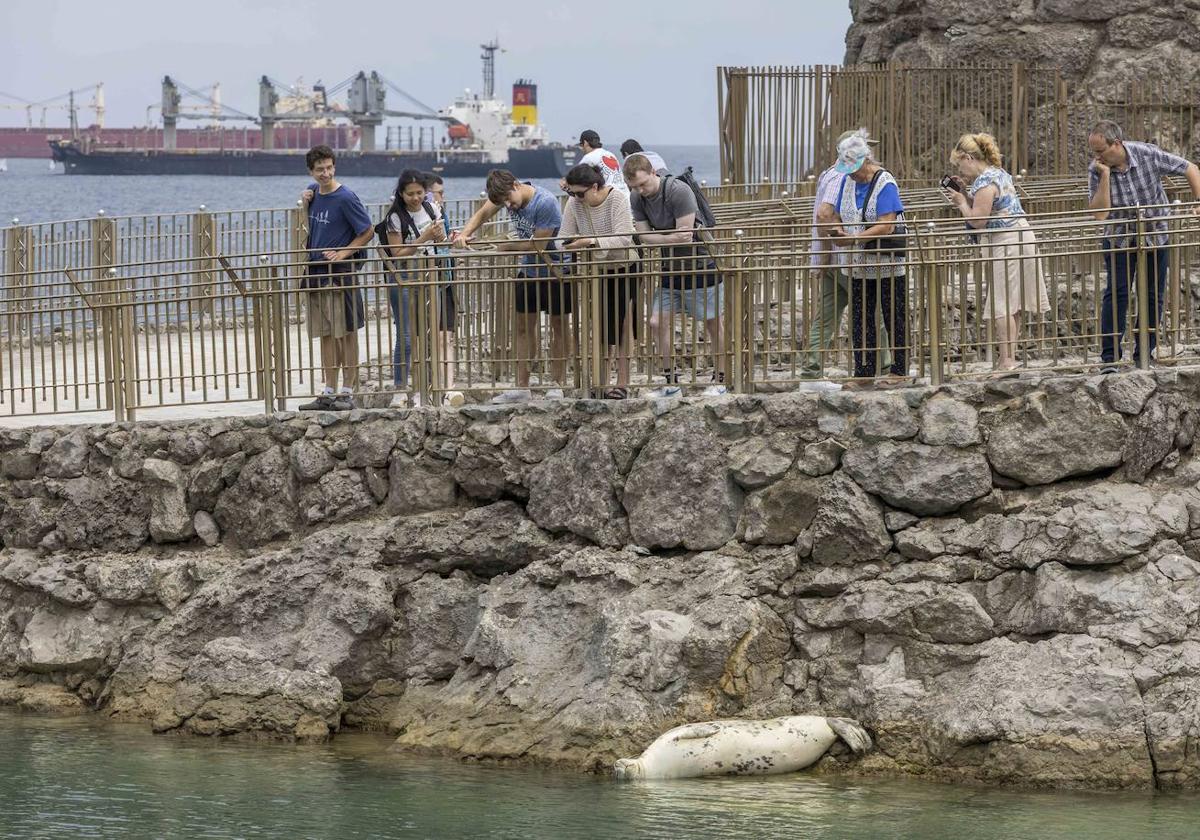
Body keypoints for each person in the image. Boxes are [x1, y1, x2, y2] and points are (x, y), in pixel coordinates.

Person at [1087, 119, 1200, 372]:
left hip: (1155, 236)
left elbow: (1190, 168)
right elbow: (1100, 214)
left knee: (1152, 295)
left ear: (1116, 144)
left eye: (1100, 150)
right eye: (1093, 152)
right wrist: (1104, 176)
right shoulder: (1096, 169)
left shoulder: (1146, 154)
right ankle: (1110, 358)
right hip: (1118, 238)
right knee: (1116, 295)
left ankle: (1143, 354)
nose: (1096, 157)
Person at [451, 169, 570, 402]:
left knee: (559, 327)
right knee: (523, 327)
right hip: (528, 270)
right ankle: (522, 387)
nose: (508, 205)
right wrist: (464, 234)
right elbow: (483, 213)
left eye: (508, 199)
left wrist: (504, 246)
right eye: (502, 202)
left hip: (556, 270)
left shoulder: (544, 202)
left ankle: (557, 383)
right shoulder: (505, 197)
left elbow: (539, 245)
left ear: (516, 185)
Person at [944, 133, 1050, 371]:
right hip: (1021, 237)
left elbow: (978, 220)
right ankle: (1009, 357)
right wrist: (965, 191)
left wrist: (961, 203)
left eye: (960, 164)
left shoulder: (984, 181)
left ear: (969, 158)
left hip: (1007, 243)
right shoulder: (998, 173)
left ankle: (1007, 360)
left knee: (1002, 303)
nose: (960, 170)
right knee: (1014, 303)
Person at [623, 153, 726, 398]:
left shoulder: (678, 191)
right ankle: (671, 382)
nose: (641, 190)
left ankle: (722, 378)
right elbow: (645, 238)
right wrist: (668, 237)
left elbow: (686, 235)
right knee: (656, 322)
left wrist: (658, 237)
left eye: (643, 184)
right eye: (634, 187)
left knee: (712, 323)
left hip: (700, 265)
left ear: (653, 173)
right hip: (670, 267)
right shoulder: (637, 198)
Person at [802, 130, 889, 386]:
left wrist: (822, 257)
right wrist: (831, 253)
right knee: (872, 312)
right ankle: (885, 367)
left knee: (827, 315)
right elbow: (824, 214)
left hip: (833, 258)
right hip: (844, 259)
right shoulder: (842, 176)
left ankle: (811, 372)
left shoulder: (829, 173)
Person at [828, 129, 909, 388]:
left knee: (893, 313)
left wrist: (854, 239)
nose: (850, 172)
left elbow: (887, 224)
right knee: (861, 316)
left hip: (886, 262)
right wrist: (838, 230)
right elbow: (839, 213)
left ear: (866, 161)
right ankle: (864, 372)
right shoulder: (847, 182)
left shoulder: (885, 182)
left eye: (853, 166)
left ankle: (899, 370)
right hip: (858, 264)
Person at [297, 145, 373, 411]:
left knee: (347, 333)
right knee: (326, 335)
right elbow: (308, 226)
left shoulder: (346, 197)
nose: (325, 173)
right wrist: (304, 202)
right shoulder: (313, 193)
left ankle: (348, 391)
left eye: (329, 167)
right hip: (317, 273)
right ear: (311, 171)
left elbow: (367, 231)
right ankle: (328, 390)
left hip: (340, 276)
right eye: (320, 169)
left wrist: (342, 254)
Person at [382, 169, 463, 409]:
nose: (416, 198)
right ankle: (401, 390)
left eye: (419, 193)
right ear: (401, 193)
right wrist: (424, 237)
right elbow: (396, 254)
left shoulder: (432, 209)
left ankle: (429, 388)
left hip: (431, 274)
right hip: (406, 277)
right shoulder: (395, 218)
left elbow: (441, 240)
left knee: (433, 335)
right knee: (407, 337)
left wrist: (440, 236)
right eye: (410, 194)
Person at [559, 163, 639, 399]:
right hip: (598, 270)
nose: (576, 198)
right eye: (571, 193)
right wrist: (572, 244)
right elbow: (561, 238)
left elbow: (624, 237)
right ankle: (601, 381)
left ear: (595, 187)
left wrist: (590, 242)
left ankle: (622, 382)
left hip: (625, 267)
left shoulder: (617, 200)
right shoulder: (574, 204)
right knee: (601, 326)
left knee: (625, 325)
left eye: (580, 193)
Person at [578, 130, 630, 195]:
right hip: (626, 195)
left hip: (611, 197)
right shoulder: (611, 154)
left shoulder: (589, 157)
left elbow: (576, 178)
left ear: (585, 143)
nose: (581, 149)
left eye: (581, 145)